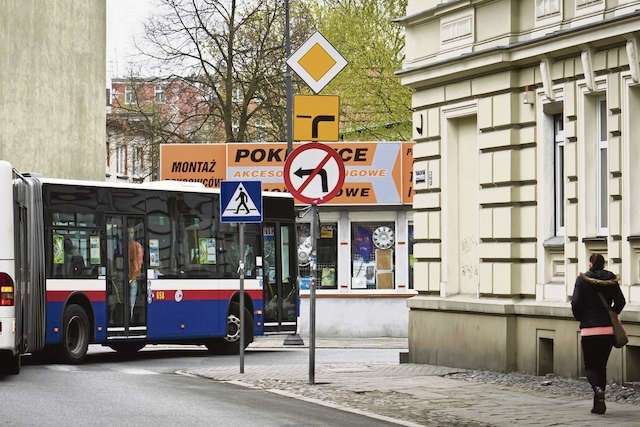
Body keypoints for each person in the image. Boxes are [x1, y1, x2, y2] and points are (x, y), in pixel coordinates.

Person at [571, 253, 625, 415]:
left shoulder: (582, 280)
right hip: (607, 330)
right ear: (603, 264)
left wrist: (581, 317)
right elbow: (621, 301)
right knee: (601, 366)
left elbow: (575, 303)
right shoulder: (612, 280)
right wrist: (612, 314)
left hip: (589, 330)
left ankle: (597, 389)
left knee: (590, 366)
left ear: (590, 264)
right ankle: (598, 404)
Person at [128, 236, 143, 320]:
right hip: (133, 276)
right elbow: (138, 263)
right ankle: (131, 315)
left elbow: (137, 263)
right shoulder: (136, 246)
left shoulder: (134, 246)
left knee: (132, 296)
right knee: (132, 296)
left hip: (132, 276)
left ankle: (131, 314)